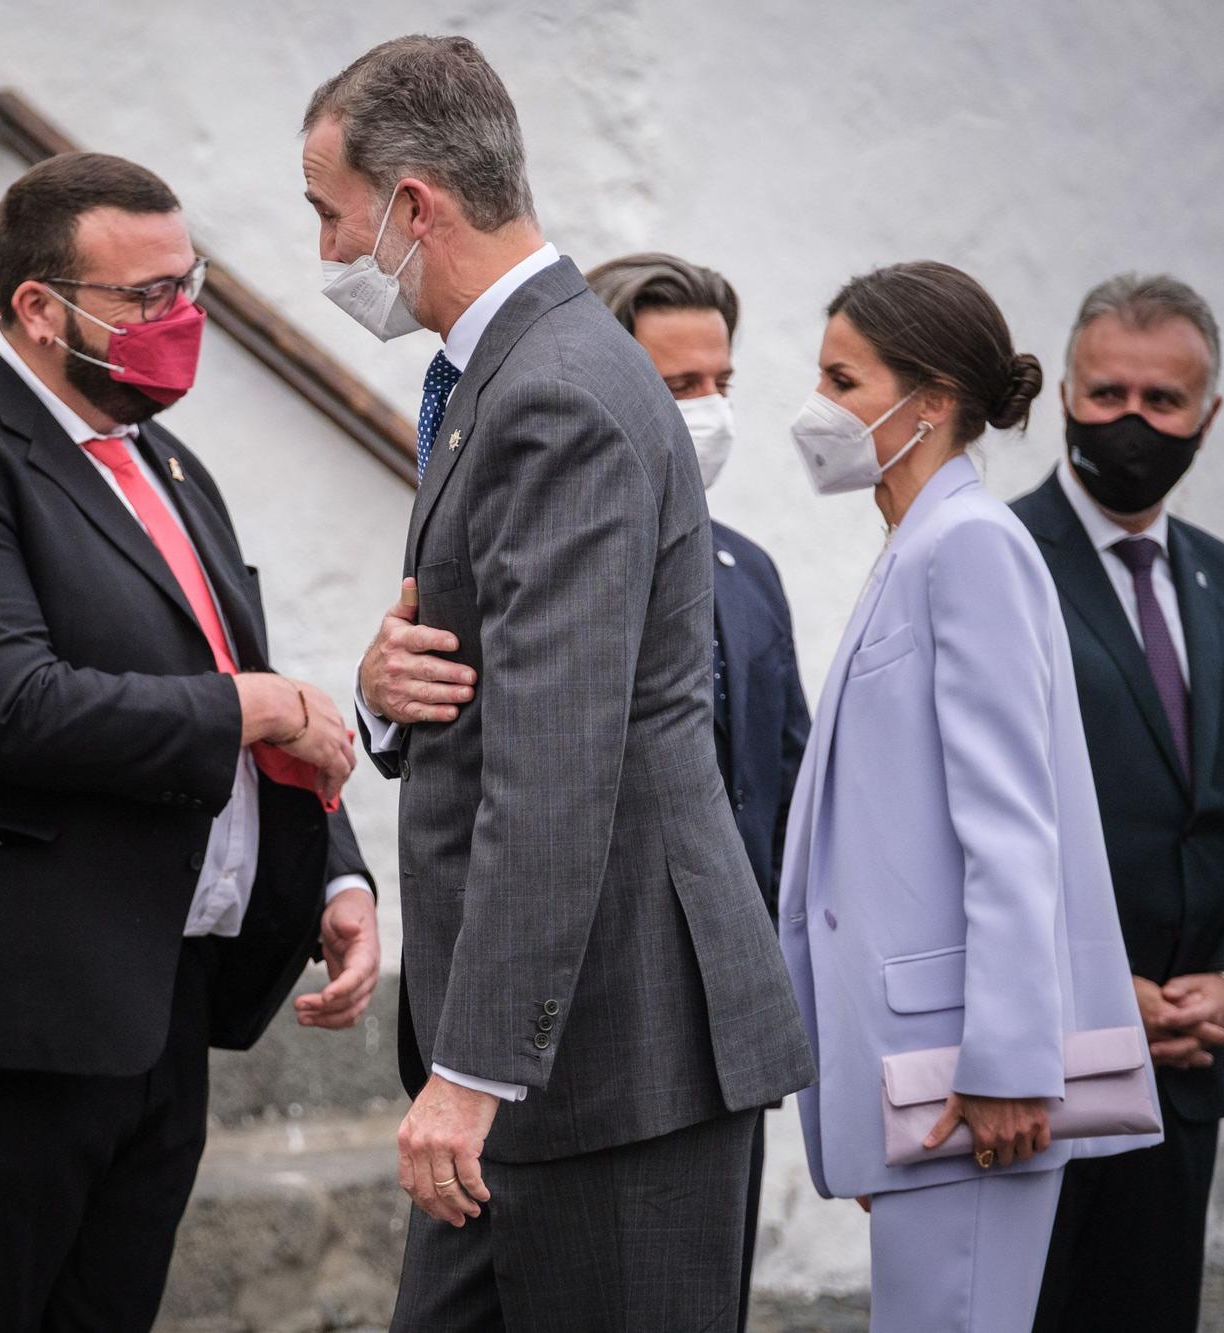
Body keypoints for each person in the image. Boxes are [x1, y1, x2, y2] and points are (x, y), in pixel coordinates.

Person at [0, 151, 381, 1331]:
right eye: (146, 296)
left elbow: (224, 686)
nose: (181, 320)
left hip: (149, 1001)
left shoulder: (165, 461)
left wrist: (327, 870)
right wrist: (256, 705)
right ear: (35, 305)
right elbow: (9, 702)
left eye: (191, 286)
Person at [304, 36, 813, 1331]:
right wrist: (378, 698)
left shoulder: (556, 393)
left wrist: (474, 1070)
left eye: (330, 214)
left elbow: (557, 763)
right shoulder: (504, 375)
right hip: (558, 1048)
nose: (326, 255)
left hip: (614, 1052)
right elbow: (477, 687)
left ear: (413, 204)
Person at [776, 261, 1154, 1332]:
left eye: (841, 380)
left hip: (967, 1087)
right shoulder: (918, 545)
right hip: (919, 1081)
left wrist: (1003, 1063)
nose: (818, 409)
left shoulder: (968, 546)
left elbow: (1009, 828)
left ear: (929, 401)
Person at [1018, 274, 1224, 1333]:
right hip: (1036, 1067)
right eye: (1106, 392)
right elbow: (963, 818)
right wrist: (1086, 981)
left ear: (1206, 417)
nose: (1130, 421)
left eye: (1161, 402)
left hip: (1182, 1063)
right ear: (1065, 390)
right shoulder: (997, 560)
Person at [587, 252, 812, 1328]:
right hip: (594, 1029)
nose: (707, 410)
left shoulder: (748, 570)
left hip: (731, 1026)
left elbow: (795, 784)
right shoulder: (539, 551)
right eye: (678, 387)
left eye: (719, 381)